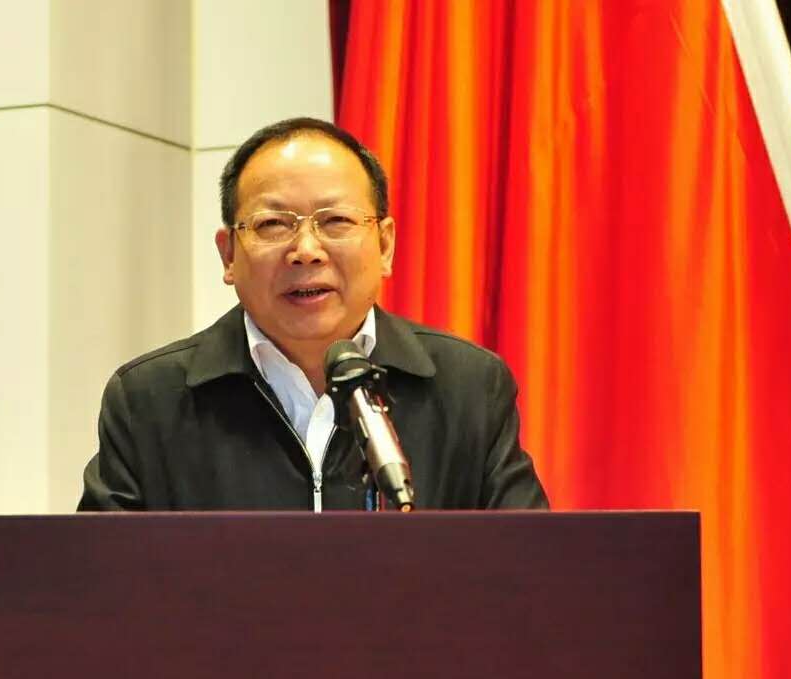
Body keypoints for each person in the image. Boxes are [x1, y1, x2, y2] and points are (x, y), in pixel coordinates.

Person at [79, 117, 547, 511]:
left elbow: (528, 567)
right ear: (228, 254)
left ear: (385, 245)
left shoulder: (468, 387)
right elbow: (101, 578)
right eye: (272, 224)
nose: (306, 250)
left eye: (336, 221)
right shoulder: (150, 400)